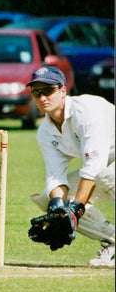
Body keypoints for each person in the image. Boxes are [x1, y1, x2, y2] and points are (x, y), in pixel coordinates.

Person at [26, 66, 114, 267]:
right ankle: (113, 241)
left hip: (104, 167)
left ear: (63, 91)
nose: (42, 98)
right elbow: (56, 176)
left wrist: (75, 209)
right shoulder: (45, 132)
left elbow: (94, 166)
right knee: (47, 200)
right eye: (36, 93)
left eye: (48, 91)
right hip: (103, 166)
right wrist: (59, 207)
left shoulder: (88, 111)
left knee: (103, 175)